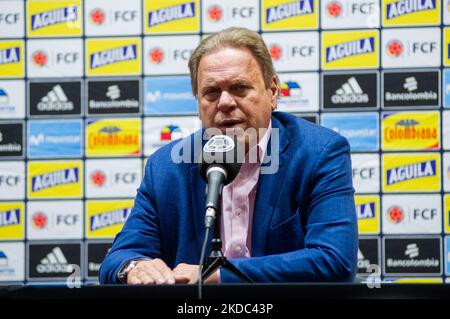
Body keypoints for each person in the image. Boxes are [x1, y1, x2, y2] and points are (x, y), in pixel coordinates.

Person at [99, 27, 358, 285]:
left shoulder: (319, 152)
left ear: (273, 92)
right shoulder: (167, 167)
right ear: (198, 101)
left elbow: (335, 261)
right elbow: (118, 259)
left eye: (240, 88)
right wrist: (135, 268)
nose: (224, 102)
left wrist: (219, 274)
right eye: (211, 92)